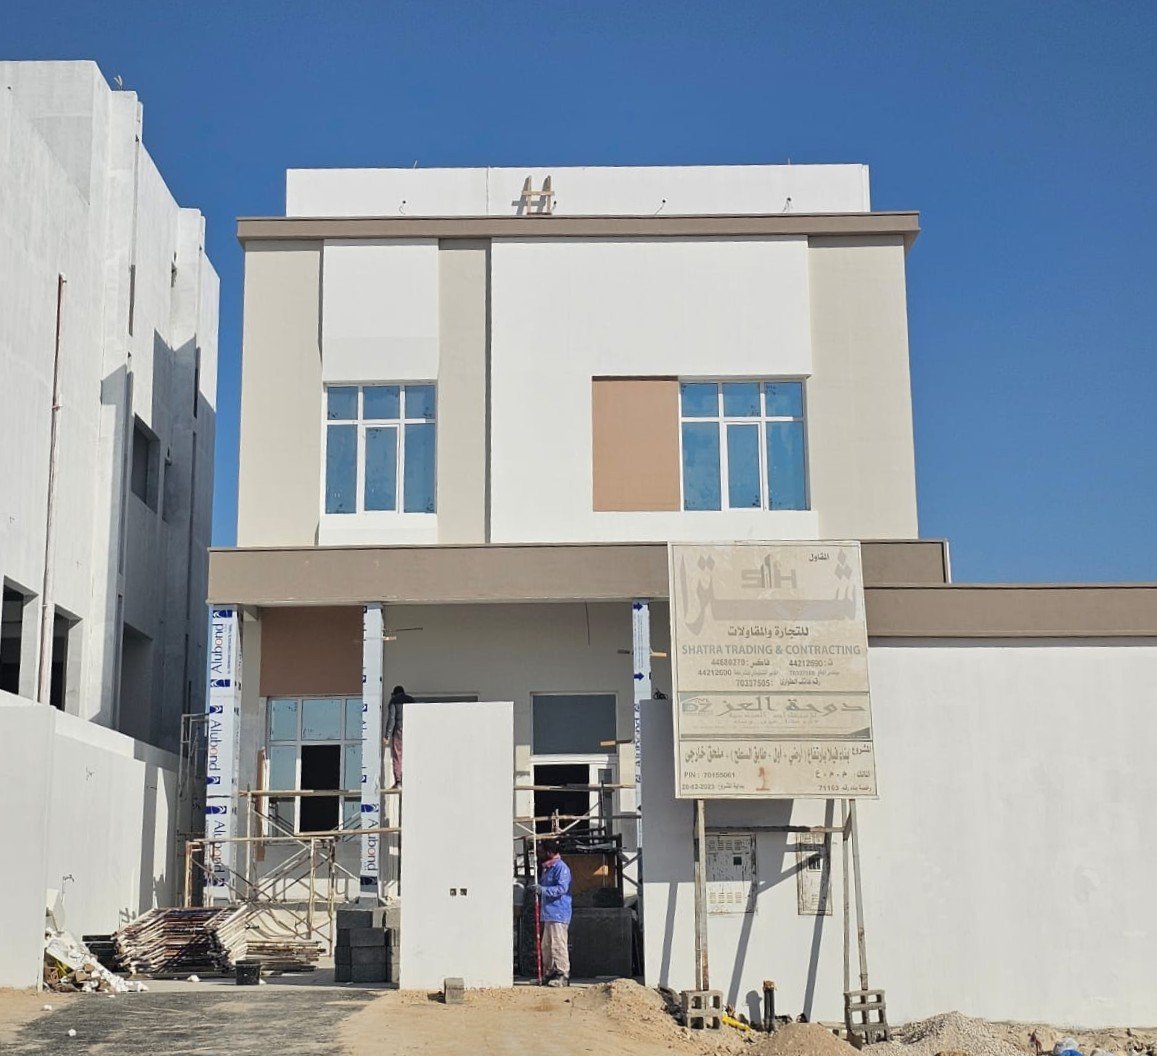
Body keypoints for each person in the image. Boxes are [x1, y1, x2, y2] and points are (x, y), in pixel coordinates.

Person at [529, 838, 572, 986]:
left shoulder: (561, 868)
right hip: (548, 913)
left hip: (558, 912)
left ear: (549, 852)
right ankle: (550, 972)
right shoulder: (547, 868)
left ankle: (563, 974)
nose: (539, 855)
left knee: (558, 944)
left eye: (541, 852)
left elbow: (562, 888)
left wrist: (543, 890)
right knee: (546, 946)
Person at [384, 685, 412, 787]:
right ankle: (410, 778)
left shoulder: (394, 701)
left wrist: (387, 735)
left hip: (399, 729)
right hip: (411, 729)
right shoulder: (411, 700)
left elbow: (392, 719)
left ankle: (399, 781)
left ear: (394, 694)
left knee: (397, 754)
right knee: (410, 754)